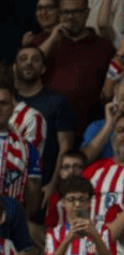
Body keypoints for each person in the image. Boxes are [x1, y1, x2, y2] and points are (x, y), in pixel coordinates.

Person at [33, 0, 115, 136]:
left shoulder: (104, 47)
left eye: (76, 12)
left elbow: (110, 90)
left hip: (88, 128)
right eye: (65, 12)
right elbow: (28, 66)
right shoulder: (42, 41)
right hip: (45, 126)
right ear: (59, 14)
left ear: (87, 13)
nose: (70, 17)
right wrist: (52, 39)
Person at [12, 45, 77, 191]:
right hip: (10, 182)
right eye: (23, 59)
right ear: (15, 68)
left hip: (43, 183)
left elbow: (65, 148)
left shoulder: (57, 101)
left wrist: (53, 184)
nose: (29, 63)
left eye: (35, 60)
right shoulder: (7, 101)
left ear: (43, 69)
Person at [0, 81, 41, 214]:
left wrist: (22, 221)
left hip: (11, 220)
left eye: (3, 103)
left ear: (13, 107)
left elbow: (34, 190)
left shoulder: (28, 149)